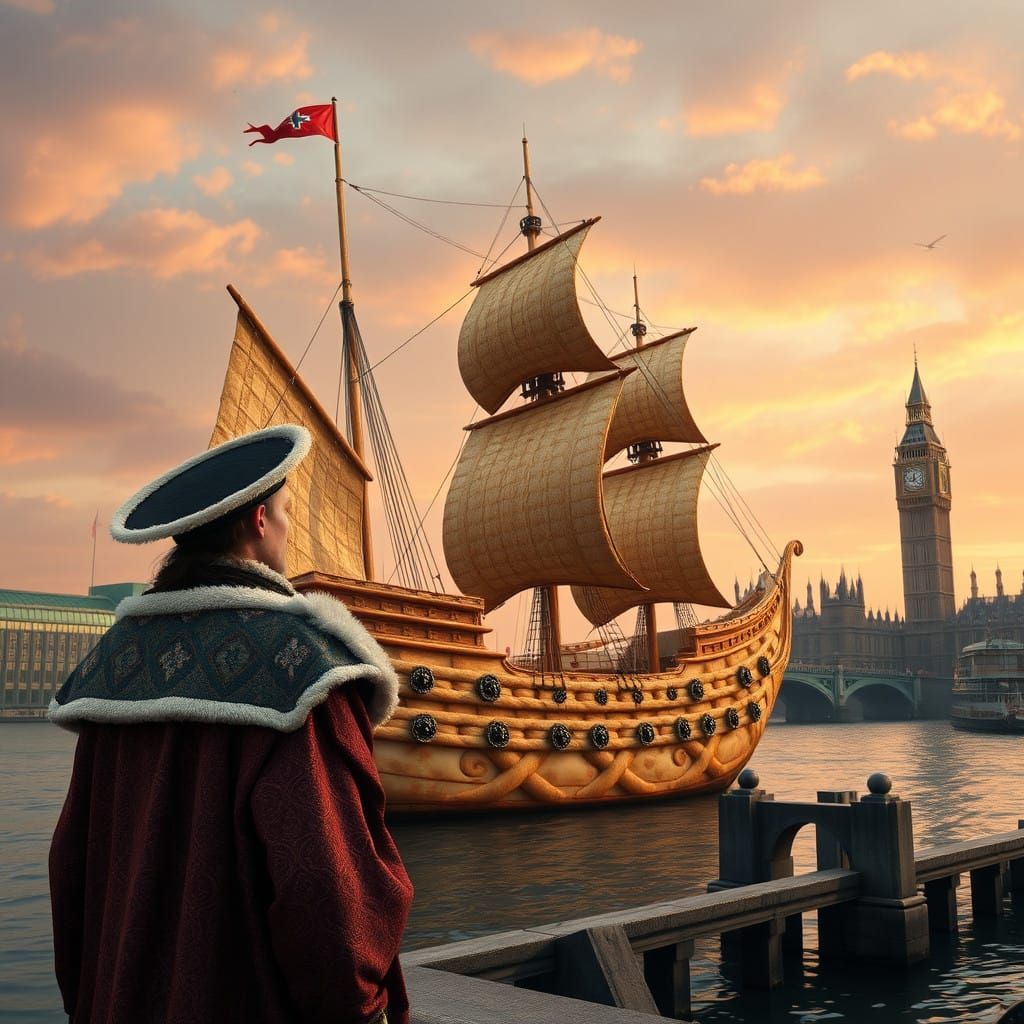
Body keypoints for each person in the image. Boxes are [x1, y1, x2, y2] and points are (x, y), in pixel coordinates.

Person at [48, 424, 413, 1024]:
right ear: (260, 520)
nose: (289, 529)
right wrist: (363, 1008)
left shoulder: (115, 663)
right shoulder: (303, 665)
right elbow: (328, 890)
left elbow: (71, 868)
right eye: (287, 514)